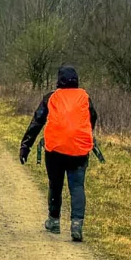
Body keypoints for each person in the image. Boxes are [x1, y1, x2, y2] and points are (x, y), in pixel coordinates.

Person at [19, 64, 97, 242]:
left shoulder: (51, 98)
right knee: (77, 186)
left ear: (58, 80)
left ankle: (54, 221)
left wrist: (26, 146)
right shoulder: (85, 97)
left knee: (55, 183)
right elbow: (93, 117)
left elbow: (37, 121)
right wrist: (86, 133)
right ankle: (76, 224)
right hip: (79, 148)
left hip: (55, 149)